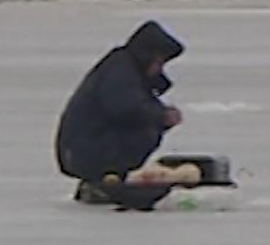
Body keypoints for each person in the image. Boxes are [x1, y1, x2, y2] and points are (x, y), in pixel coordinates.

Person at [55, 21, 189, 210]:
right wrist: (161, 116)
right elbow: (126, 108)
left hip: (84, 147)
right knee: (145, 131)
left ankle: (105, 179)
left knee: (147, 127)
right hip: (85, 151)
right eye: (159, 62)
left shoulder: (125, 68)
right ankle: (103, 181)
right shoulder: (121, 71)